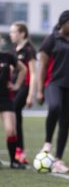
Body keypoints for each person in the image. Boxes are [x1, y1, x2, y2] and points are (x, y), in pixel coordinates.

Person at [36, 10, 69, 174]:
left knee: (66, 122)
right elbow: (42, 66)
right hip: (54, 83)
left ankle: (58, 159)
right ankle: (48, 143)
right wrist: (39, 90)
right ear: (62, 23)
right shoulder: (51, 39)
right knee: (55, 107)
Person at [9, 21, 37, 164]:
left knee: (13, 112)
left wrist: (31, 94)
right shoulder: (14, 49)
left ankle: (19, 151)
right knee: (15, 118)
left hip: (24, 87)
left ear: (22, 33)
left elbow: (32, 74)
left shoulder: (29, 50)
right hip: (13, 88)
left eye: (14, 32)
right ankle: (19, 151)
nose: (11, 34)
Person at [0, 34, 27, 169]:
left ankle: (14, 161)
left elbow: (23, 69)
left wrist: (16, 85)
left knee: (11, 130)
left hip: (5, 98)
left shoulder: (8, 56)